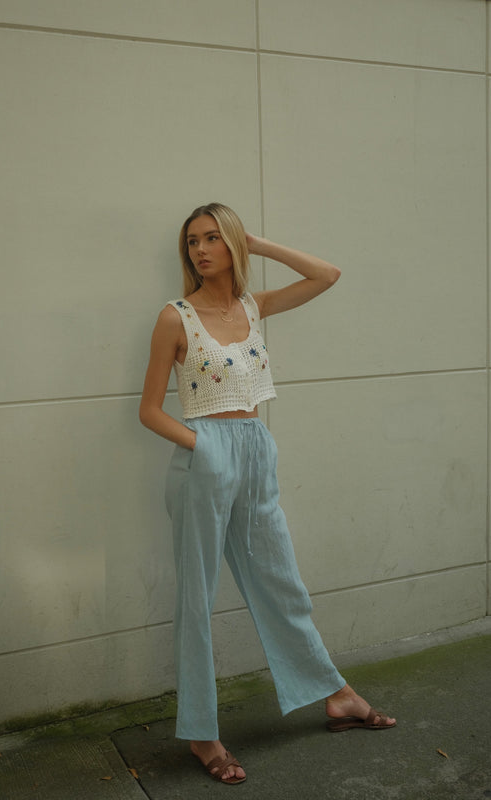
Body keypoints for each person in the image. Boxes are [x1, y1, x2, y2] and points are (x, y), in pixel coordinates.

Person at [139, 202, 396, 785]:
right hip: (204, 456)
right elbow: (149, 411)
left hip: (256, 450)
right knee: (198, 599)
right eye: (192, 241)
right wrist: (205, 447)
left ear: (233, 244)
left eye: (213, 238)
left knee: (282, 581)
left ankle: (336, 694)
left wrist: (256, 242)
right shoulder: (175, 317)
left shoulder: (254, 306)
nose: (200, 250)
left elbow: (327, 274)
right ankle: (202, 734)